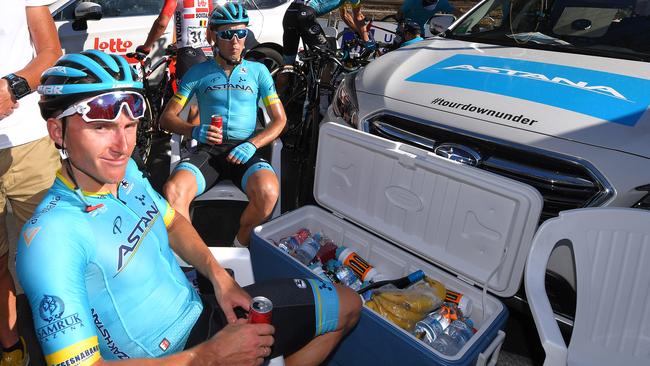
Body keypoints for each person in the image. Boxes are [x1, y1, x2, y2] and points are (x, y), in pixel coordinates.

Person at [16, 49, 361, 366]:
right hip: (178, 357)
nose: (122, 147)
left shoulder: (127, 174)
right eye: (101, 128)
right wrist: (207, 356)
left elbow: (171, 223)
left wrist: (217, 277)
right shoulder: (51, 237)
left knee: (347, 304)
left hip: (202, 314)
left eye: (129, 126)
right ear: (57, 132)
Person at [160, 3, 286, 248]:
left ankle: (240, 245)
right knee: (173, 191)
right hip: (209, 151)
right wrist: (194, 130)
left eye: (241, 33)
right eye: (227, 34)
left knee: (269, 193)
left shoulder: (258, 72)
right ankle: (194, 256)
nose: (236, 41)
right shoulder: (197, 73)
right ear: (212, 36)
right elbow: (166, 118)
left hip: (245, 150)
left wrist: (253, 143)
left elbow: (280, 120)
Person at [0, 1, 62, 365]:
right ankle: (11, 346)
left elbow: (50, 51)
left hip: (27, 143)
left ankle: (63, 340)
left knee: (51, 247)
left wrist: (14, 86)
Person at [137, 0, 214, 80]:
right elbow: (211, 24)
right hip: (207, 52)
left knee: (184, 91)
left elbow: (161, 24)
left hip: (188, 54)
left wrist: (146, 47)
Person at [281, 0, 370, 65]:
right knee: (329, 58)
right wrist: (367, 42)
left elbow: (345, 15)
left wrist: (357, 32)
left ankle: (280, 90)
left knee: (288, 64)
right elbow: (358, 18)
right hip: (305, 14)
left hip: (289, 13)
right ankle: (324, 90)